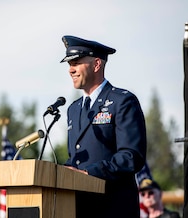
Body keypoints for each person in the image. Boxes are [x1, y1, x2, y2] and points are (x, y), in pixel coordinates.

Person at [60, 35, 147, 218]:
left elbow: (131, 157)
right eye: (69, 65)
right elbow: (75, 159)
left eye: (76, 63)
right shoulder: (73, 109)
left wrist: (88, 173)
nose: (71, 70)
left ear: (97, 64)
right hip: (78, 208)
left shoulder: (122, 101)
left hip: (113, 208)